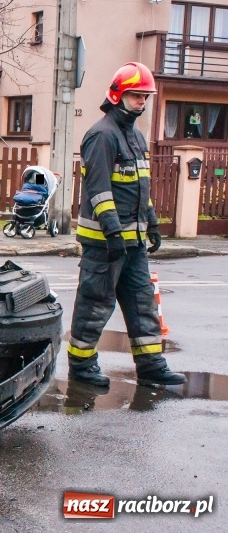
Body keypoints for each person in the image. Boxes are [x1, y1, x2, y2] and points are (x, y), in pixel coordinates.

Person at [68, 62, 186, 388]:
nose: (142, 102)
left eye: (145, 96)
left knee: (142, 303)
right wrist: (112, 232)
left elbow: (139, 188)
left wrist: (152, 223)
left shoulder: (135, 136)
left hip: (132, 242)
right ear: (117, 96)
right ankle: (81, 366)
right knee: (95, 304)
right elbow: (99, 190)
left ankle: (151, 366)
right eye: (136, 96)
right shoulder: (102, 135)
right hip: (104, 242)